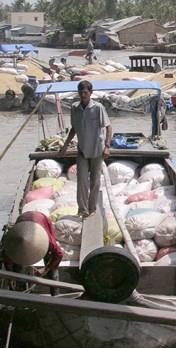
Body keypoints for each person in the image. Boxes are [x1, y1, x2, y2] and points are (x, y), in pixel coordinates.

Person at [60, 80, 112, 218]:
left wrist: (107, 146)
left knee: (95, 181)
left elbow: (108, 127)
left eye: (85, 92)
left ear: (91, 93)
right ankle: (82, 210)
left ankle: (92, 208)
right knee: (82, 180)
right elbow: (74, 129)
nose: (83, 95)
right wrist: (65, 146)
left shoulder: (98, 108)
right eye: (81, 93)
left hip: (97, 150)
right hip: (82, 150)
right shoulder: (75, 108)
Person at [1, 211, 63, 295]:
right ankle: (19, 295)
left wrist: (46, 269)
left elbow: (59, 254)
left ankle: (55, 296)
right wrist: (11, 277)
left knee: (52, 271)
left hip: (40, 218)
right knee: (17, 269)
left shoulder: (47, 240)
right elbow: (7, 259)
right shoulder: (12, 242)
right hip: (23, 220)